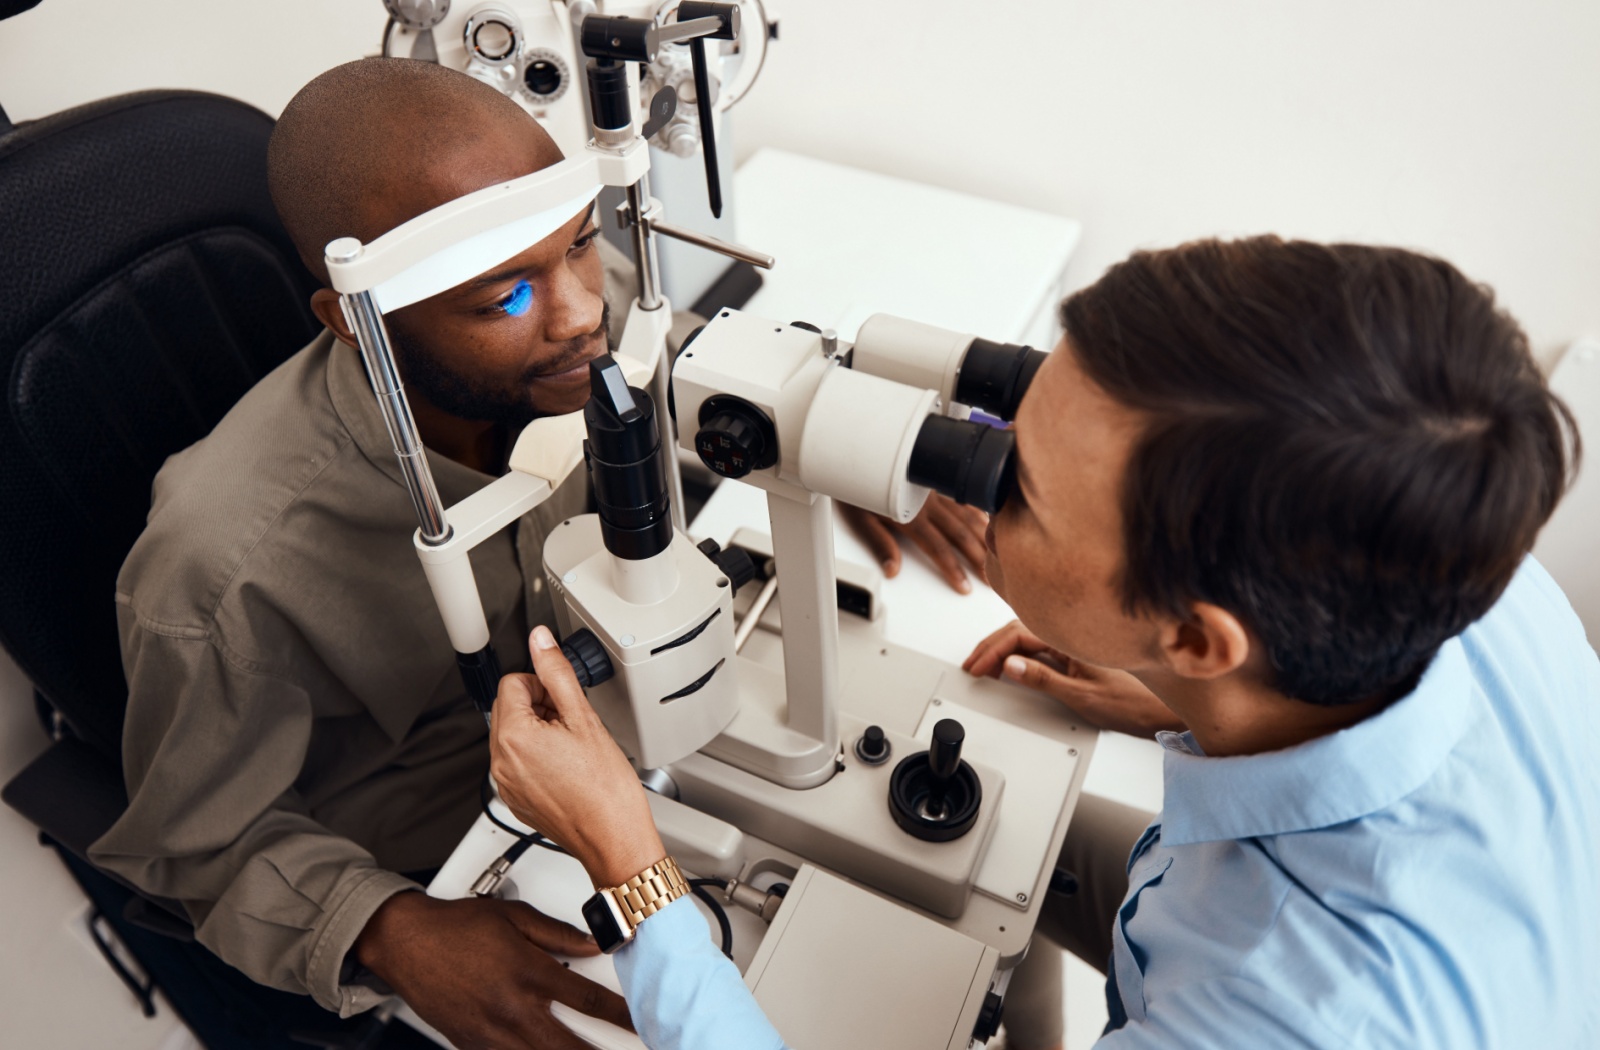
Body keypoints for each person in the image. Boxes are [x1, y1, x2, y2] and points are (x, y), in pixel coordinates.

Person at [489, 237, 1600, 1050]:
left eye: (1011, 489)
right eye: (1020, 391)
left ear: (1201, 633)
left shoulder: (1281, 1019)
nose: (976, 468)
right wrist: (1178, 698)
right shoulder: (1461, 550)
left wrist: (630, 870)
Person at [88, 56, 981, 1049]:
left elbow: (675, 358)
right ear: (357, 322)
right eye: (503, 298)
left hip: (634, 738)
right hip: (450, 847)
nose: (581, 314)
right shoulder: (221, 568)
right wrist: (388, 930)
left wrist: (814, 433)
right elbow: (195, 844)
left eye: (582, 245)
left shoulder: (574, 330)